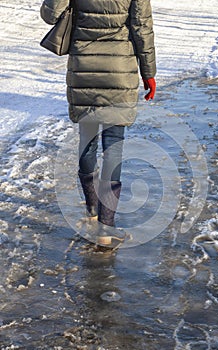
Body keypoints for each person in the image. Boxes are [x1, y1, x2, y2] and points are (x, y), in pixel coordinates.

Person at [40, 0, 156, 248]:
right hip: (119, 69)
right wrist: (149, 72)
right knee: (113, 146)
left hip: (84, 66)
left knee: (87, 140)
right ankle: (106, 227)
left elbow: (49, 15)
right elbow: (142, 27)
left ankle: (91, 208)